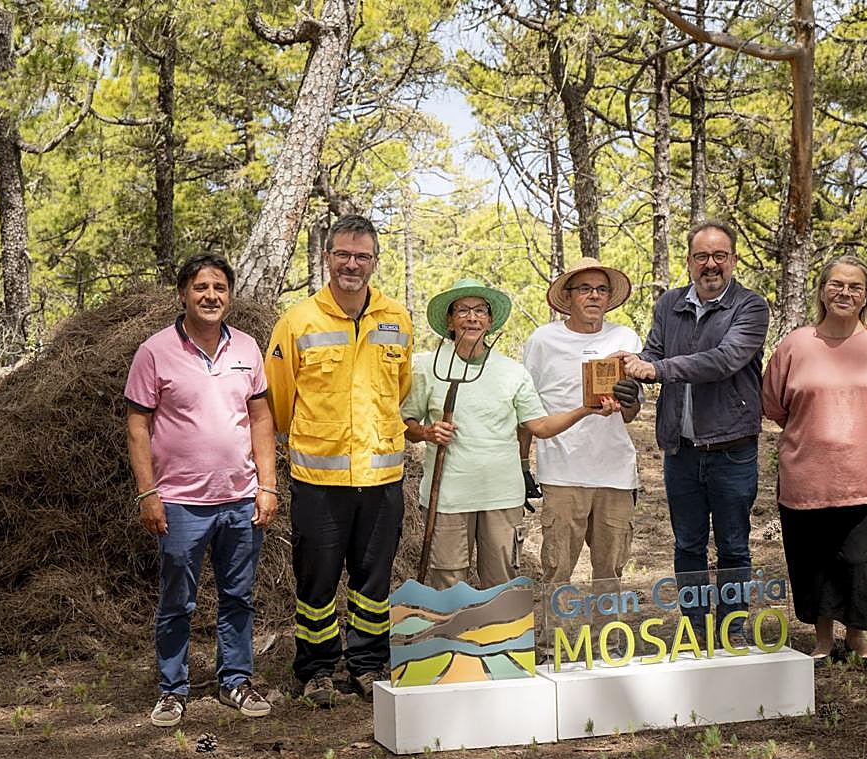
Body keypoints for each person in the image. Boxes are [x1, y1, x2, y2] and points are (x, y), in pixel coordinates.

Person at [265, 215, 413, 708]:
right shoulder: (298, 320)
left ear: (375, 261)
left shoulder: (396, 318)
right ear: (327, 257)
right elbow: (278, 402)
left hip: (381, 477)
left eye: (362, 256)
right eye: (343, 255)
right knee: (317, 580)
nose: (352, 264)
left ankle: (368, 665)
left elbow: (401, 387)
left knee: (372, 581)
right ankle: (317, 669)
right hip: (318, 480)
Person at [126, 252, 277, 728]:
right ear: (182, 294)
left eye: (220, 288)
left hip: (239, 500)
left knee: (238, 596)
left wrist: (268, 486)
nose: (211, 296)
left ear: (229, 296)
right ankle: (173, 689)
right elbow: (137, 426)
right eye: (201, 288)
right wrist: (147, 494)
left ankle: (235, 680)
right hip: (180, 503)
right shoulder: (155, 351)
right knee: (178, 601)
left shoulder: (247, 349)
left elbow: (261, 418)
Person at [402, 278, 618, 590]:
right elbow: (407, 424)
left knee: (500, 581)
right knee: (446, 578)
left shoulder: (512, 372)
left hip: (502, 496)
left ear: (490, 320)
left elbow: (540, 427)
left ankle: (497, 640)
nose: (472, 317)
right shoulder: (427, 366)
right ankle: (452, 639)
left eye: (480, 310)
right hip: (448, 496)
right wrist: (426, 432)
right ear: (450, 320)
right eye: (463, 310)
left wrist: (586, 408)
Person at [762, 255, 867, 666]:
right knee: (811, 562)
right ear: (822, 290)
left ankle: (858, 638)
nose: (845, 293)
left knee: (862, 563)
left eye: (855, 287)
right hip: (806, 480)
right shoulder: (796, 344)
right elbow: (775, 406)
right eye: (837, 284)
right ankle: (821, 641)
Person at [614, 219, 769, 643]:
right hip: (680, 449)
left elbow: (723, 360)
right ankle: (696, 629)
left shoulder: (750, 307)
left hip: (732, 448)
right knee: (687, 545)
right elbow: (654, 352)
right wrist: (628, 367)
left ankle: (732, 628)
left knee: (734, 545)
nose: (711, 264)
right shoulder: (668, 304)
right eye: (702, 256)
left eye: (720, 256)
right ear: (689, 262)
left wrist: (656, 369)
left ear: (734, 260)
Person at [520, 257, 642, 585]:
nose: (594, 296)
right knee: (557, 570)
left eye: (602, 290)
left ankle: (609, 639)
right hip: (562, 472)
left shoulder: (626, 339)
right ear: (569, 296)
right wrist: (521, 463)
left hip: (615, 472)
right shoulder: (542, 341)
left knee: (610, 573)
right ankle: (554, 639)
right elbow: (525, 409)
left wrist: (628, 399)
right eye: (585, 289)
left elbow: (632, 413)